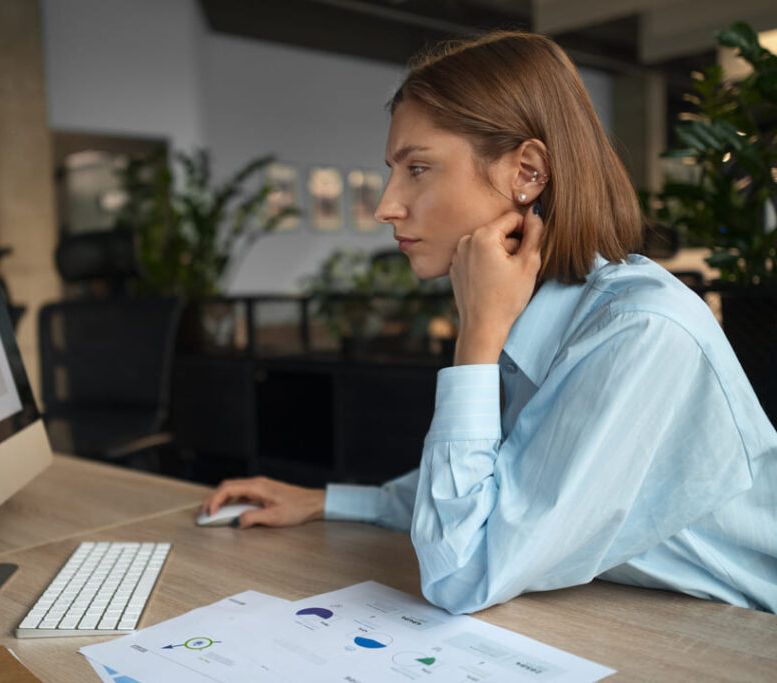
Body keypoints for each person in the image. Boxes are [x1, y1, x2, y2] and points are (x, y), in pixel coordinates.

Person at [202, 31, 777, 614]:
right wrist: (327, 502)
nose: (386, 206)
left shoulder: (640, 330)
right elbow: (504, 489)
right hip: (649, 614)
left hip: (744, 634)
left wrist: (478, 336)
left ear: (527, 172)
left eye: (418, 168)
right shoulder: (544, 308)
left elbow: (463, 572)